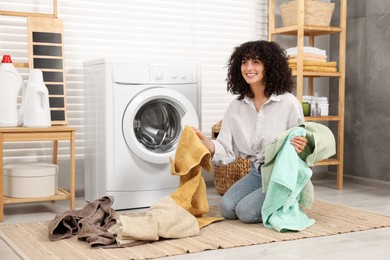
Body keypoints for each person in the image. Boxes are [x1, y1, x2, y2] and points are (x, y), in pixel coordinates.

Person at [193, 40, 307, 223]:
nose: (248, 67)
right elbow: (226, 147)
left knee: (246, 213)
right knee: (227, 209)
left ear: (269, 66)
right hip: (257, 173)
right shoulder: (236, 107)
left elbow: (301, 143)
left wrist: (301, 146)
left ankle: (291, 195)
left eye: (256, 62)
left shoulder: (288, 103)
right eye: (244, 62)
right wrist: (207, 144)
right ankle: (269, 198)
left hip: (282, 174)